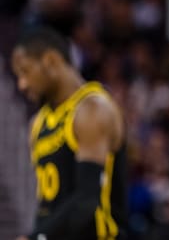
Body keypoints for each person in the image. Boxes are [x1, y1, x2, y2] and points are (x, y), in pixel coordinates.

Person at [11, 26, 127, 240]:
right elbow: (47, 207)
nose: (22, 84)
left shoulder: (92, 109)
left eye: (25, 72)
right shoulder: (38, 123)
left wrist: (36, 237)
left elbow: (86, 203)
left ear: (51, 61)